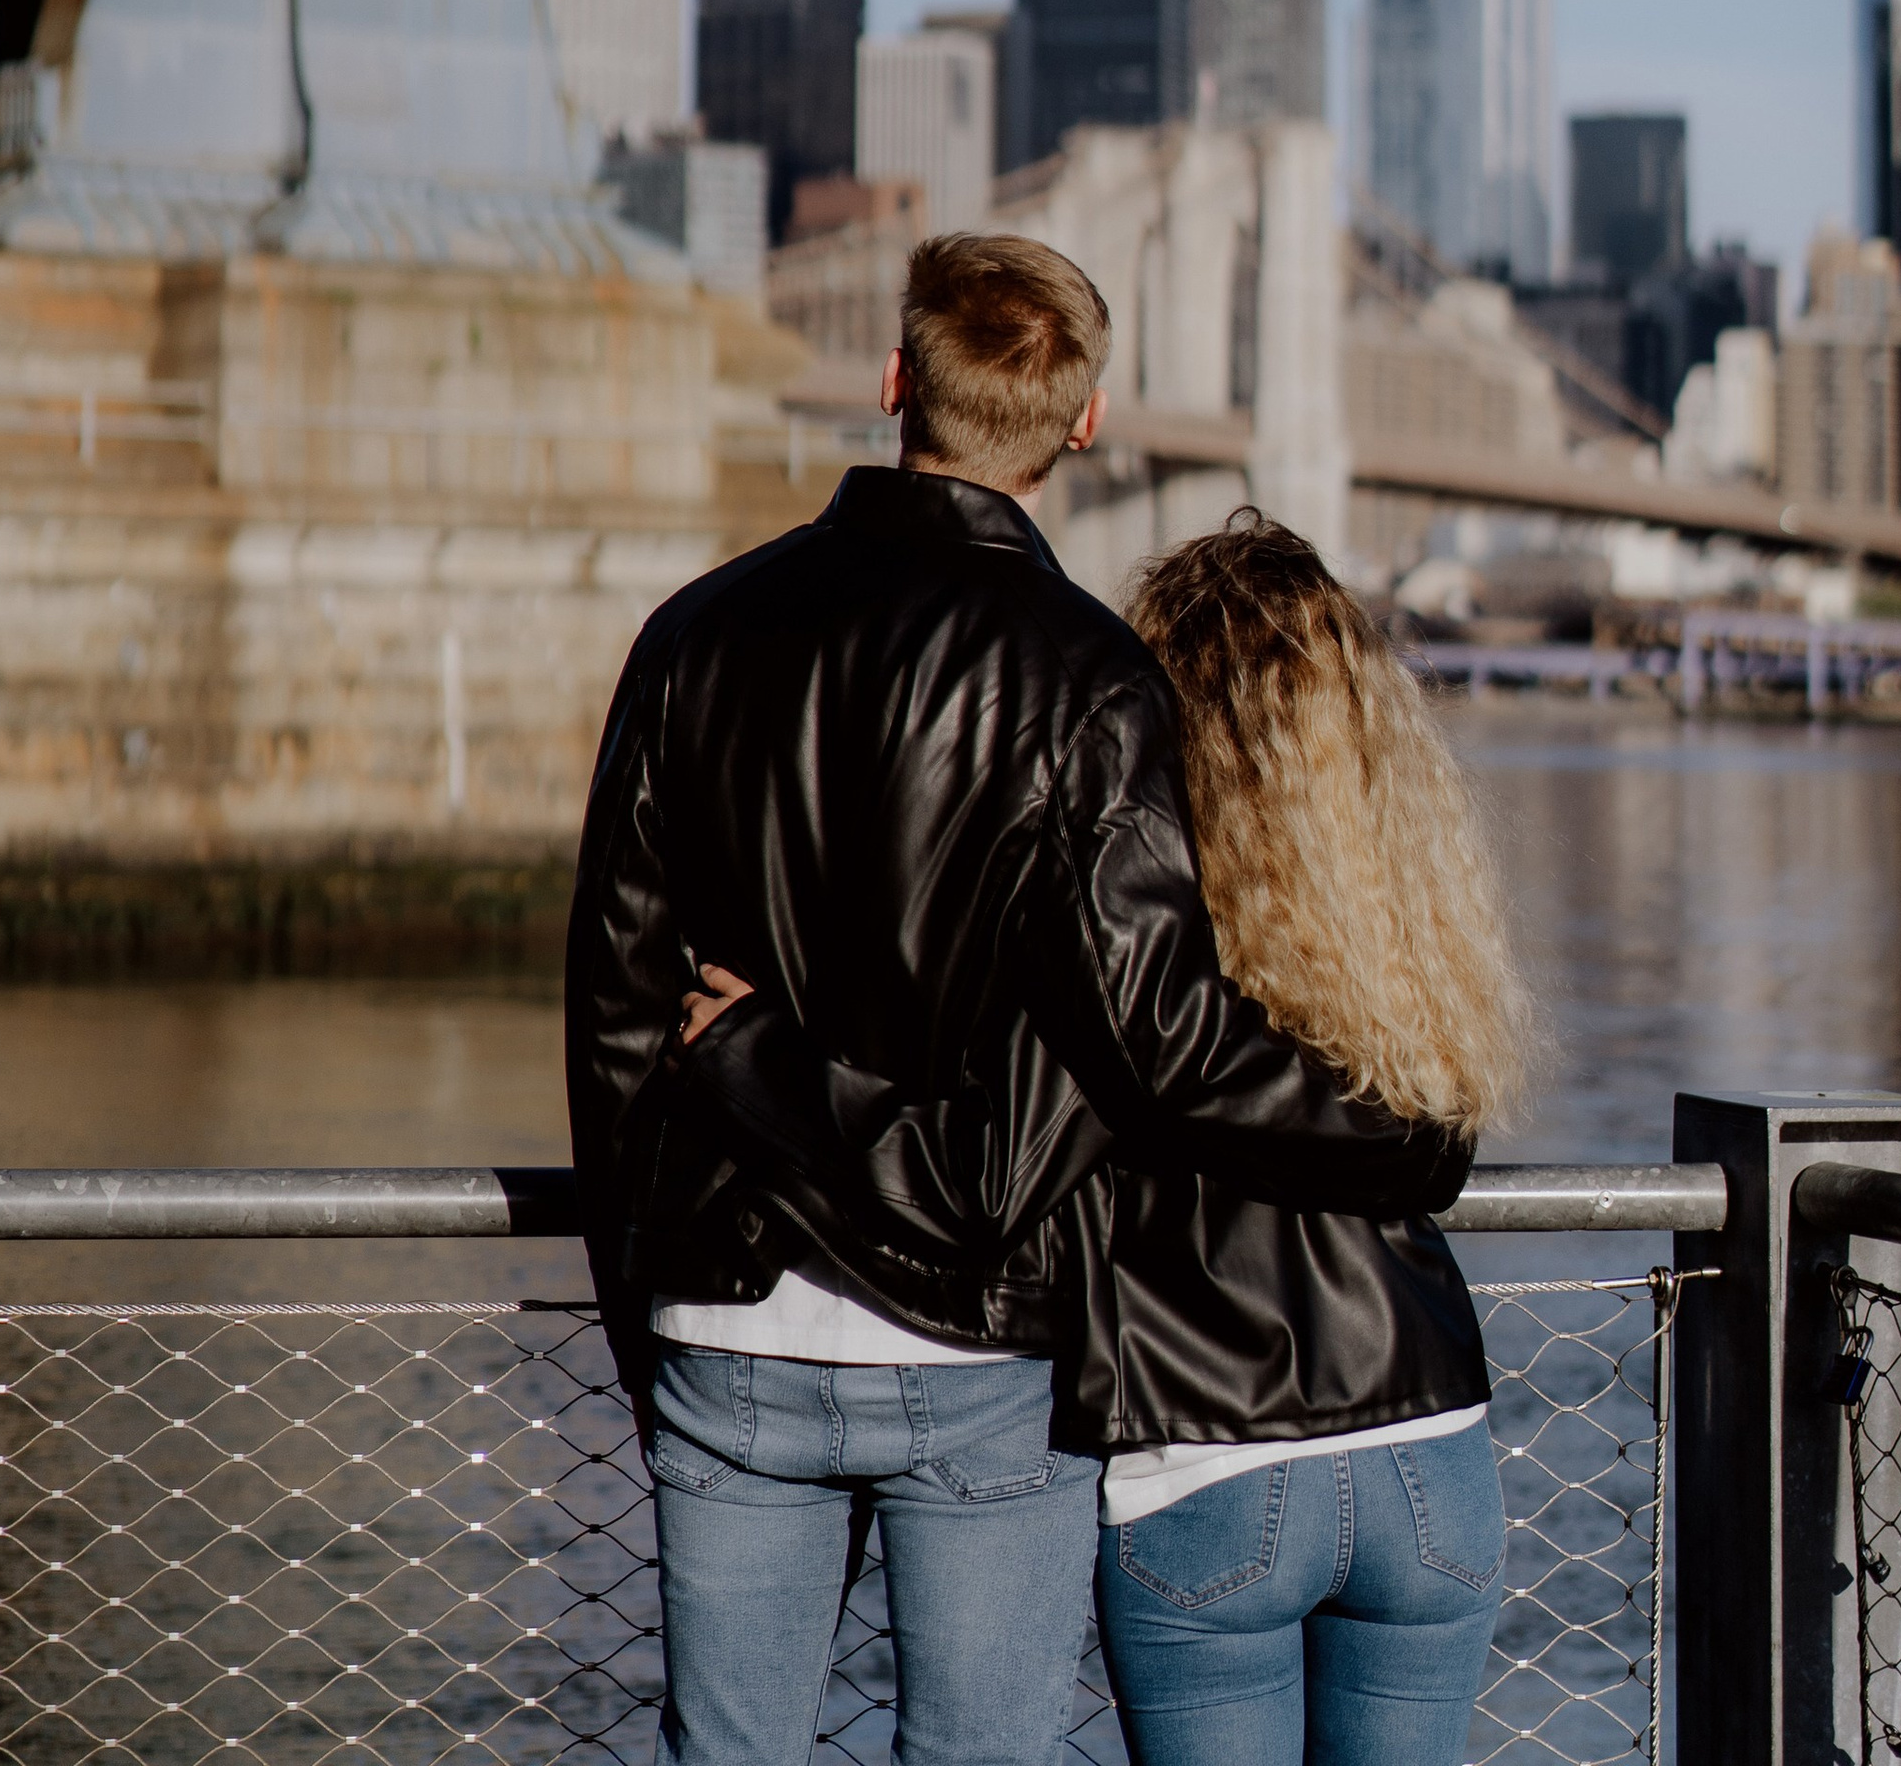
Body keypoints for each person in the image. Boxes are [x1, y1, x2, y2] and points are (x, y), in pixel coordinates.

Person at [564, 234, 1473, 1766]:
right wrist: (1410, 1132)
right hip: (986, 1340)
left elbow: (612, 1025)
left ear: (894, 382)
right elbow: (1153, 1041)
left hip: (728, 1314)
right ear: (1087, 421)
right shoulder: (1093, 681)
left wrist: (647, 1315)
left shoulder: (691, 639)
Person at [683, 510, 1528, 1766]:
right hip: (1431, 1452)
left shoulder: (1124, 926)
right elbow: (1431, 1152)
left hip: (1203, 1462)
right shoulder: (1407, 940)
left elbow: (987, 1171)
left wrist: (763, 1066)